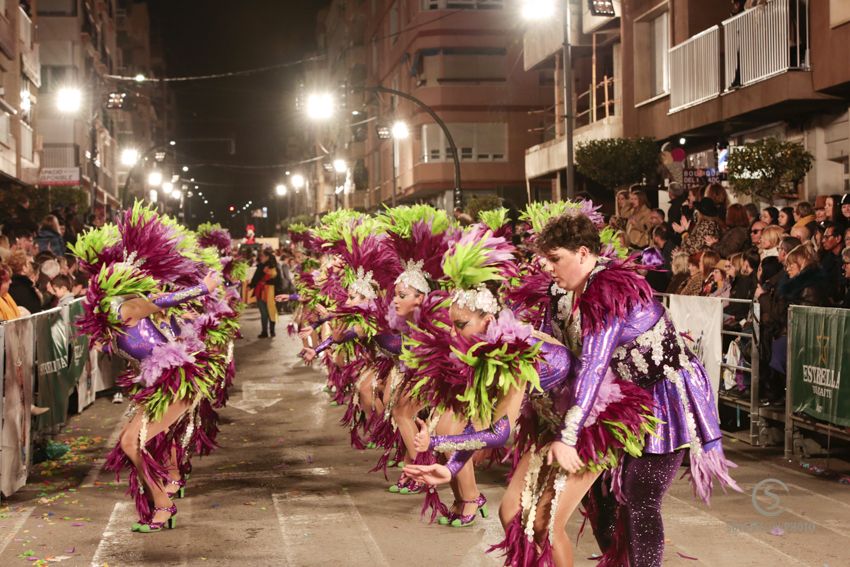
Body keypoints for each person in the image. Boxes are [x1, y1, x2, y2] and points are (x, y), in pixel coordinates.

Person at [532, 213, 738, 567]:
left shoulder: (607, 292)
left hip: (666, 398)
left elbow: (594, 364)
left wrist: (568, 435)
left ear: (583, 253)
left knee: (641, 496)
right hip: (625, 397)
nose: (548, 268)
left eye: (555, 259)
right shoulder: (571, 289)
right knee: (601, 498)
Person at [249, 247, 282, 338]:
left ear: (267, 257)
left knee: (267, 312)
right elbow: (255, 279)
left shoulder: (273, 267)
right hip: (263, 292)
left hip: (269, 292)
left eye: (262, 256)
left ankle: (267, 331)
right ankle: (269, 331)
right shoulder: (272, 267)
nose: (261, 257)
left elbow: (278, 281)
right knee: (267, 312)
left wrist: (253, 285)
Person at [7, 250, 41, 315]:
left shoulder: (9, 285)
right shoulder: (25, 288)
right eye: (28, 263)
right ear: (24, 268)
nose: (31, 265)